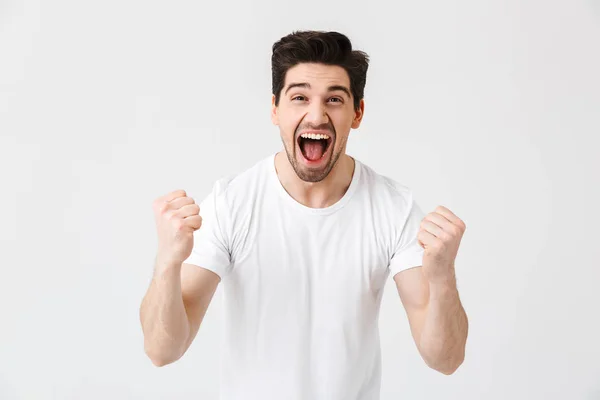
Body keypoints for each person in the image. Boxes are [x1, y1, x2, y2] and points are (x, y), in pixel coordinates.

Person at [139, 30, 469, 400]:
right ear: (275, 109)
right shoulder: (231, 204)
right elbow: (162, 350)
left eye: (334, 99)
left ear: (357, 113)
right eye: (299, 97)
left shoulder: (393, 208)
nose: (316, 115)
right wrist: (167, 263)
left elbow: (446, 359)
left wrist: (442, 277)